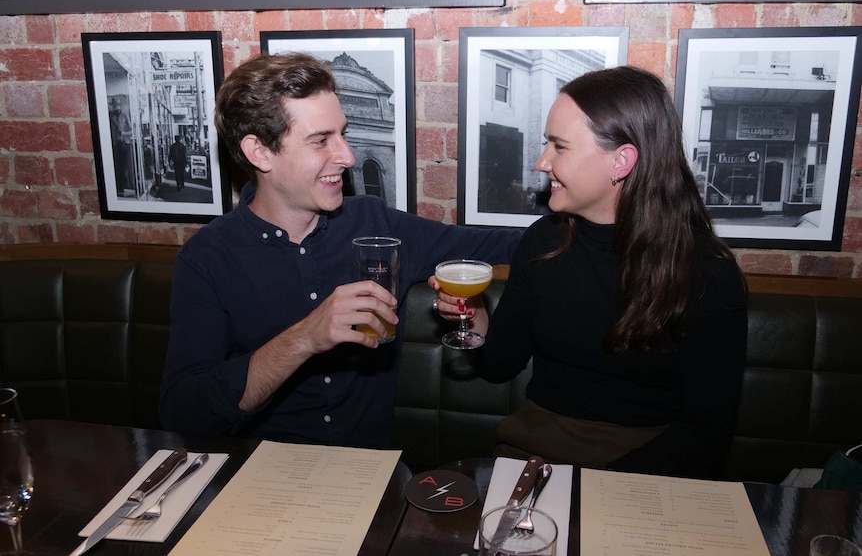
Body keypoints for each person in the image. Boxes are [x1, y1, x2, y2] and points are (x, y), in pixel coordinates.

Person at [160, 53, 520, 448]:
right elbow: (185, 413)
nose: (347, 157)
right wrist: (303, 338)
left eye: (342, 134)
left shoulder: (376, 223)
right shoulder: (207, 258)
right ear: (259, 152)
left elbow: (505, 245)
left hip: (369, 471)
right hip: (259, 474)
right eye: (320, 141)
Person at [431, 66, 747, 478]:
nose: (541, 162)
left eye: (559, 147)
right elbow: (499, 367)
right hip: (538, 452)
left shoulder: (708, 272)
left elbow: (707, 431)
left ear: (622, 161)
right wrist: (474, 315)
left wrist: (600, 490)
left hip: (654, 465)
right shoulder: (543, 242)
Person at [108, 96, 133, 196]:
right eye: (114, 105)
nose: (116, 107)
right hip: (114, 144)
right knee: (115, 166)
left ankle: (124, 187)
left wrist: (124, 133)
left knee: (124, 166)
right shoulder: (110, 116)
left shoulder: (125, 115)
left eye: (117, 105)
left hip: (124, 143)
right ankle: (118, 188)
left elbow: (132, 131)